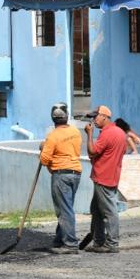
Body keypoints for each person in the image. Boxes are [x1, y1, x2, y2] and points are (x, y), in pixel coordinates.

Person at [39, 103, 82, 254]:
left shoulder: (53, 136)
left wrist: (43, 148)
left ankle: (70, 244)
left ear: (53, 118)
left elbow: (44, 160)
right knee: (66, 207)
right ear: (66, 116)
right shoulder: (75, 132)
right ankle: (59, 240)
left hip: (61, 175)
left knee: (64, 210)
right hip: (75, 173)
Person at [84, 105, 126, 254]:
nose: (93, 120)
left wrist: (89, 134)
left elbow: (92, 151)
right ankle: (98, 241)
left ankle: (112, 243)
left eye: (95, 117)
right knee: (96, 210)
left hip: (103, 177)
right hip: (111, 175)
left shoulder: (107, 134)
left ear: (104, 117)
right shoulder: (120, 132)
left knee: (109, 211)